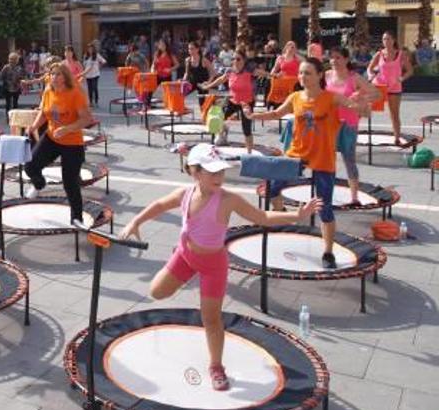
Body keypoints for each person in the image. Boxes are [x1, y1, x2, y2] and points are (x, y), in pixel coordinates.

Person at [119, 143, 322, 391]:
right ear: (194, 172)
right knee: (156, 292)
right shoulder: (185, 194)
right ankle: (183, 261)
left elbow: (262, 218)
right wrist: (135, 221)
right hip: (185, 255)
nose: (219, 177)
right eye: (212, 172)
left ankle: (216, 366)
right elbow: (160, 205)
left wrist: (296, 216)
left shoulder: (227, 200)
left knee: (211, 319)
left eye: (221, 172)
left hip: (213, 266)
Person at [246, 58, 369, 268]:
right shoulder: (295, 97)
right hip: (297, 155)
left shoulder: (331, 98)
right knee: (272, 189)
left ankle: (328, 253)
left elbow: (361, 110)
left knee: (325, 209)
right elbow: (277, 113)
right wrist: (252, 116)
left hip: (322, 158)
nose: (303, 77)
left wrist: (361, 103)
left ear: (320, 75)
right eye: (301, 73)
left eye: (308, 73)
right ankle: (284, 215)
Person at [24, 63, 94, 223]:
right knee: (30, 166)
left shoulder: (75, 93)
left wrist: (67, 129)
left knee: (70, 183)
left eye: (58, 74)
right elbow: (44, 112)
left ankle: (77, 219)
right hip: (52, 138)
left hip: (72, 143)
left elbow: (87, 119)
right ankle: (39, 184)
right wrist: (34, 126)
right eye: (52, 74)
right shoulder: (48, 90)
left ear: (65, 77)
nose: (54, 78)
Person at [326, 47, 381, 205]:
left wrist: (362, 97)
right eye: (332, 58)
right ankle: (327, 194)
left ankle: (354, 198)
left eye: (337, 57)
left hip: (348, 124)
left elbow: (377, 94)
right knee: (328, 160)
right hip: (330, 123)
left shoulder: (354, 77)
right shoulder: (327, 75)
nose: (334, 61)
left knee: (349, 160)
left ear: (346, 60)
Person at [199, 50, 258, 151]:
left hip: (246, 103)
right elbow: (220, 80)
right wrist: (208, 86)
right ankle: (221, 136)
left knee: (246, 130)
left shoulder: (249, 71)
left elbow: (265, 73)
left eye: (238, 59)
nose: (235, 61)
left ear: (244, 60)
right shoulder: (230, 71)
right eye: (233, 59)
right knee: (217, 118)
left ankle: (250, 154)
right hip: (233, 101)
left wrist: (275, 75)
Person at [368, 31, 414, 145]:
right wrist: (371, 75)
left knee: (394, 114)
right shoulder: (379, 54)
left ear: (393, 40)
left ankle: (397, 138)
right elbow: (369, 68)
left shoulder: (400, 54)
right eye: (384, 39)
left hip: (394, 88)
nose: (386, 41)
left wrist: (401, 79)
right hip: (379, 87)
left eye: (388, 39)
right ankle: (355, 133)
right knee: (366, 109)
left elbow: (410, 71)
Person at [183, 41, 215, 107]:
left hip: (202, 84)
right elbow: (186, 73)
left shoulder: (203, 60)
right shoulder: (187, 60)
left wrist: (208, 82)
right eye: (189, 49)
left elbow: (213, 73)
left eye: (192, 48)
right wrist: (183, 82)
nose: (190, 51)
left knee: (203, 105)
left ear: (197, 49)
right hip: (192, 83)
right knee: (180, 94)